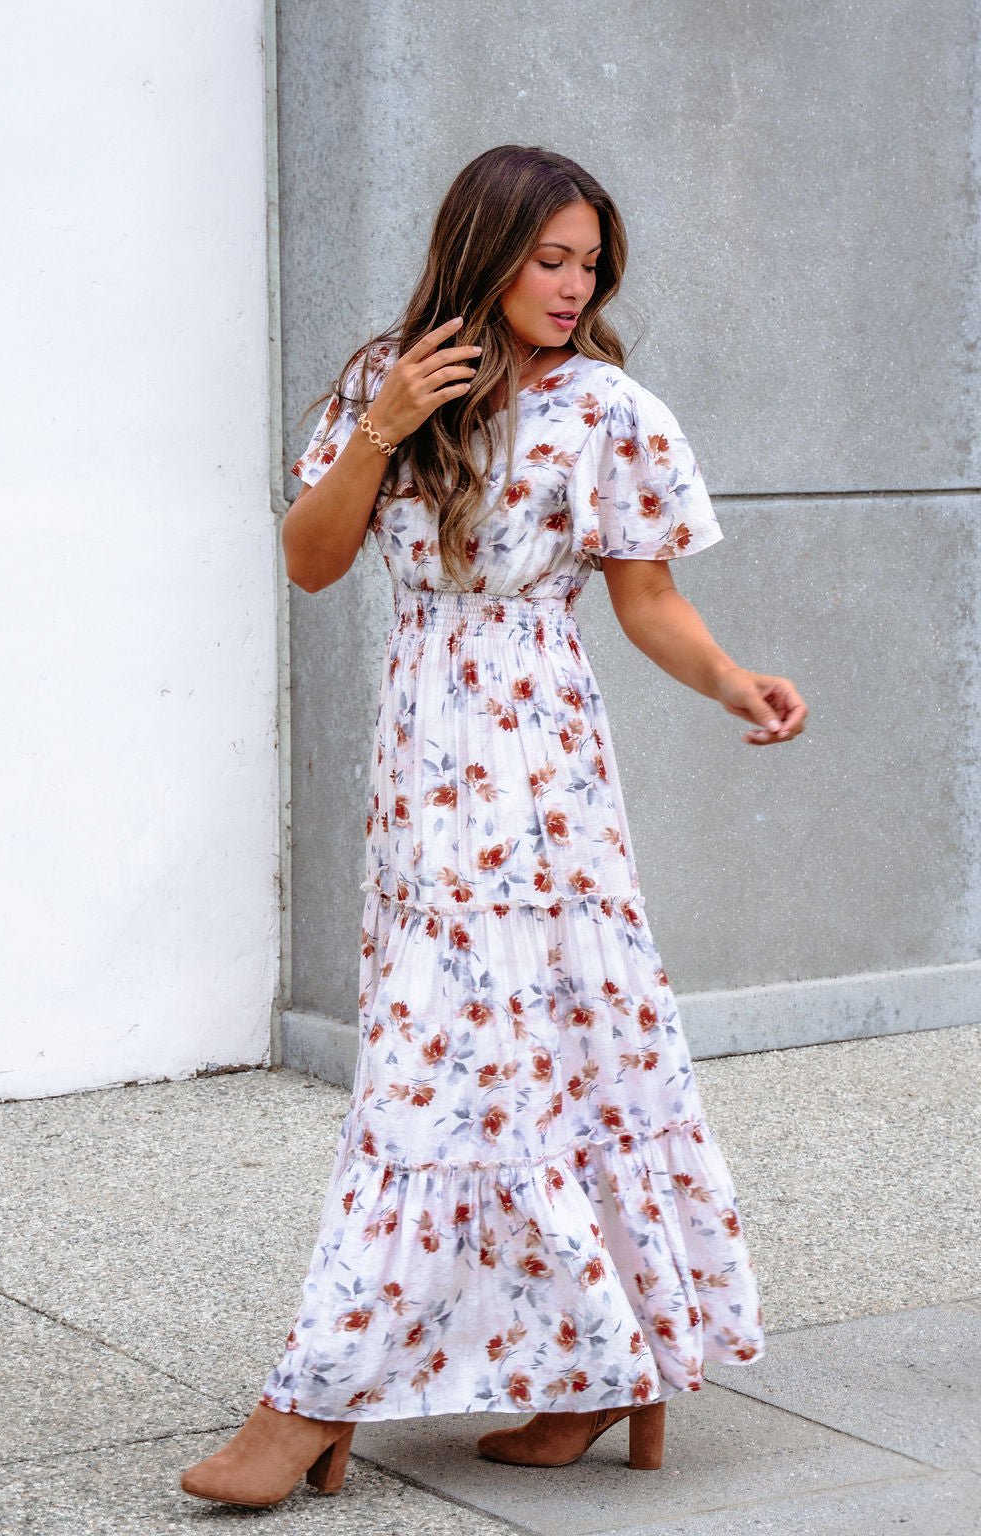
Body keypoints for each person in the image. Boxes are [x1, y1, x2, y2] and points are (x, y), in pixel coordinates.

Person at [180, 143, 807, 1509]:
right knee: (484, 1053)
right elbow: (311, 558)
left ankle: (314, 1399)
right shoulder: (387, 383)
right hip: (424, 762)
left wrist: (731, 680)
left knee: (474, 1055)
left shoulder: (610, 411)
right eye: (551, 259)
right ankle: (598, 1364)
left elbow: (644, 600)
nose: (576, 286)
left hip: (543, 766)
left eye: (591, 263)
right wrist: (385, 426)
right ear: (485, 251)